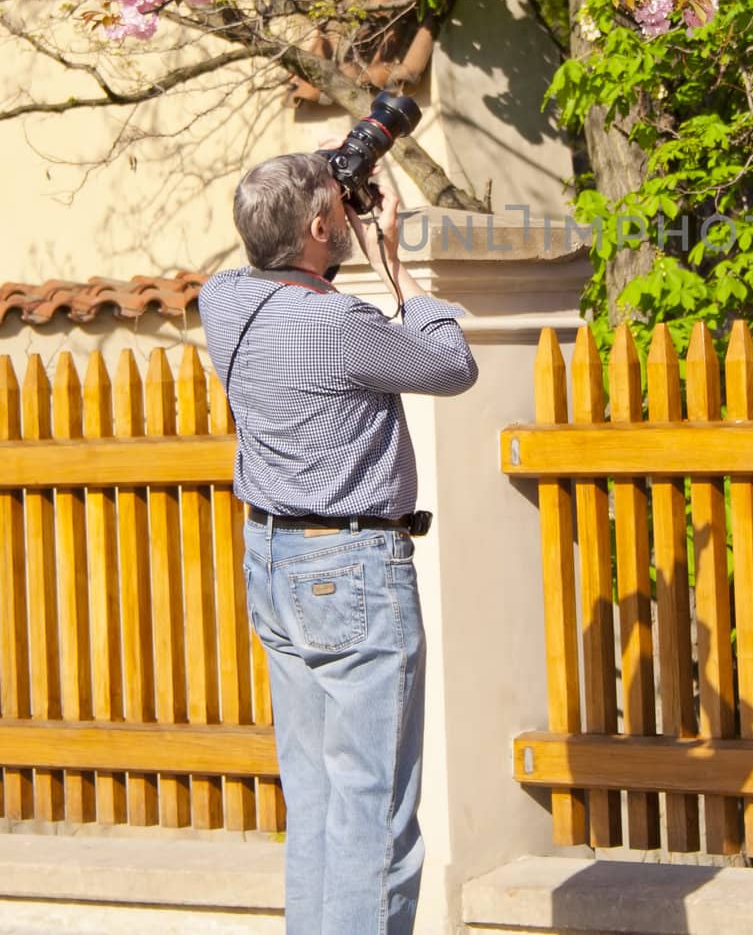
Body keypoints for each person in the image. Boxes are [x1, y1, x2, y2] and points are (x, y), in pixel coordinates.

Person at [198, 152, 477, 934]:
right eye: (333, 211)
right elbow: (453, 363)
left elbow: (265, 257)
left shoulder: (221, 302)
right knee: (374, 816)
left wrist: (310, 198)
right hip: (352, 573)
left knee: (318, 801)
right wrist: (393, 260)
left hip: (276, 562)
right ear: (323, 227)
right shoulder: (338, 325)